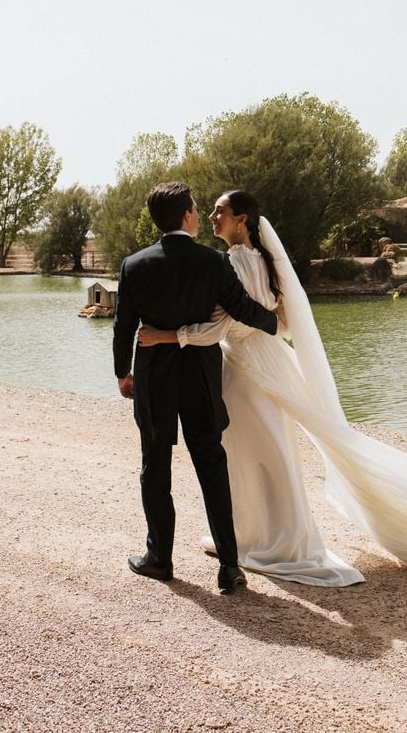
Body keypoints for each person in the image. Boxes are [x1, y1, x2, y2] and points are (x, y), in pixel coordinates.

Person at [139, 190, 407, 608]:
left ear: (243, 219)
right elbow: (284, 324)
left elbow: (219, 326)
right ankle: (261, 536)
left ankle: (269, 541)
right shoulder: (264, 261)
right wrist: (257, 328)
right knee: (273, 454)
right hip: (270, 362)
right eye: (209, 210)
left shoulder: (230, 263)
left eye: (220, 211)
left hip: (244, 372)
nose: (213, 216)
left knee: (250, 455)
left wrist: (166, 335)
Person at [113, 181, 278, 595]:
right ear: (187, 215)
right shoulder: (212, 262)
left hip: (155, 376)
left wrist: (122, 373)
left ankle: (159, 559)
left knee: (155, 467)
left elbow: (124, 326)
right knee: (211, 466)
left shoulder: (134, 265)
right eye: (196, 208)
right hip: (202, 377)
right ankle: (228, 567)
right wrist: (277, 323)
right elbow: (241, 308)